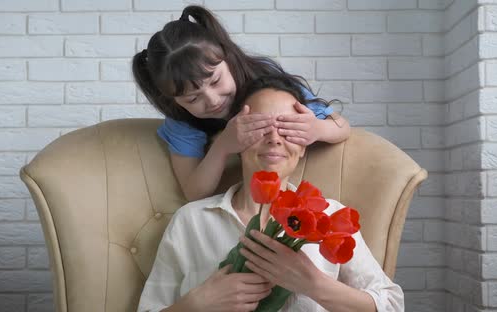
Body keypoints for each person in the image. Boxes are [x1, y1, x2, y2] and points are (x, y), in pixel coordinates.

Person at [137, 75, 404, 312]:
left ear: (303, 147)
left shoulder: (330, 216)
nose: (274, 138)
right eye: (260, 126)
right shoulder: (191, 221)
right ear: (236, 140)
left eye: (288, 128)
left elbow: (391, 305)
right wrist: (196, 305)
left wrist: (313, 284)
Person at [132, 5, 351, 201]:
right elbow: (194, 192)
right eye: (193, 98)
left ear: (227, 57)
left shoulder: (263, 76)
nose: (212, 100)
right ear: (174, 101)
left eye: (215, 81)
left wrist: (317, 128)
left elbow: (342, 128)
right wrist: (223, 145)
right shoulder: (181, 121)